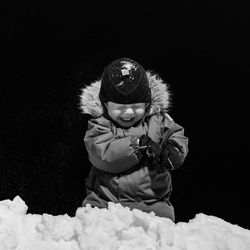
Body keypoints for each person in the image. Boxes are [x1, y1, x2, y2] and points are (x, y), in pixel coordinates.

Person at [79, 58, 188, 221]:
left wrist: (174, 151)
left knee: (161, 237)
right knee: (94, 233)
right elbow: (103, 155)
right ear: (105, 104)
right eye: (120, 108)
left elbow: (176, 134)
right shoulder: (100, 125)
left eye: (136, 107)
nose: (129, 113)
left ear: (147, 102)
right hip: (105, 203)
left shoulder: (159, 120)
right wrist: (137, 145)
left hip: (154, 204)